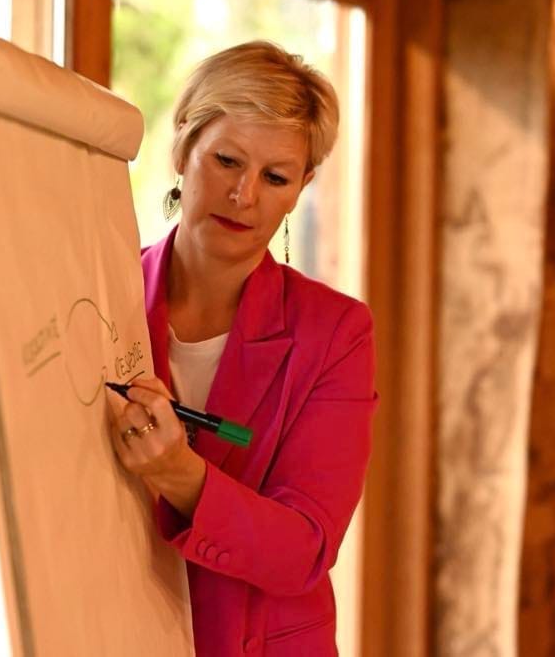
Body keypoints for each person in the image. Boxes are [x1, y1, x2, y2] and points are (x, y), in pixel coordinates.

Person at [105, 40, 378, 656]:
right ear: (183, 145)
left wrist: (179, 474)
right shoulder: (101, 296)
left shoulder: (337, 333)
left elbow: (305, 548)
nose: (244, 195)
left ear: (301, 187)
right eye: (227, 160)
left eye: (275, 177)